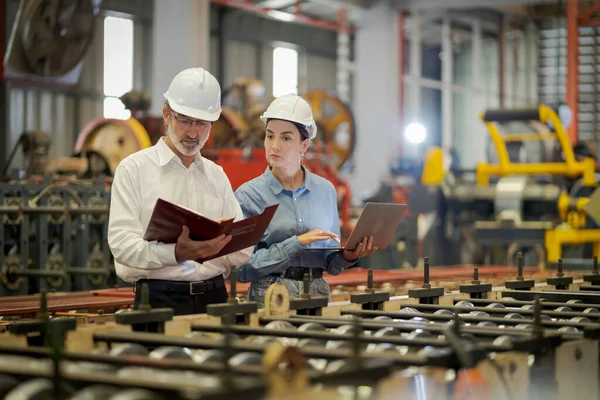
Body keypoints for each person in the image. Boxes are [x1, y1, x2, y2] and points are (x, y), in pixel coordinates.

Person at [107, 67, 253, 316]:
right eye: (185, 120)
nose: (193, 132)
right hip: (158, 300)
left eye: (202, 123)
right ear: (167, 115)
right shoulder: (133, 170)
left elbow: (242, 250)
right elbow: (122, 246)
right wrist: (174, 253)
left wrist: (221, 245)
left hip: (215, 297)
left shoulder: (215, 175)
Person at [234, 94, 378, 306]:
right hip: (271, 300)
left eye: (286, 138)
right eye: (270, 136)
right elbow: (242, 268)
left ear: (304, 145)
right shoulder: (249, 196)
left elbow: (330, 262)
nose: (274, 146)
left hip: (317, 296)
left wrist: (347, 256)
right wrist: (296, 242)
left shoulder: (325, 190)